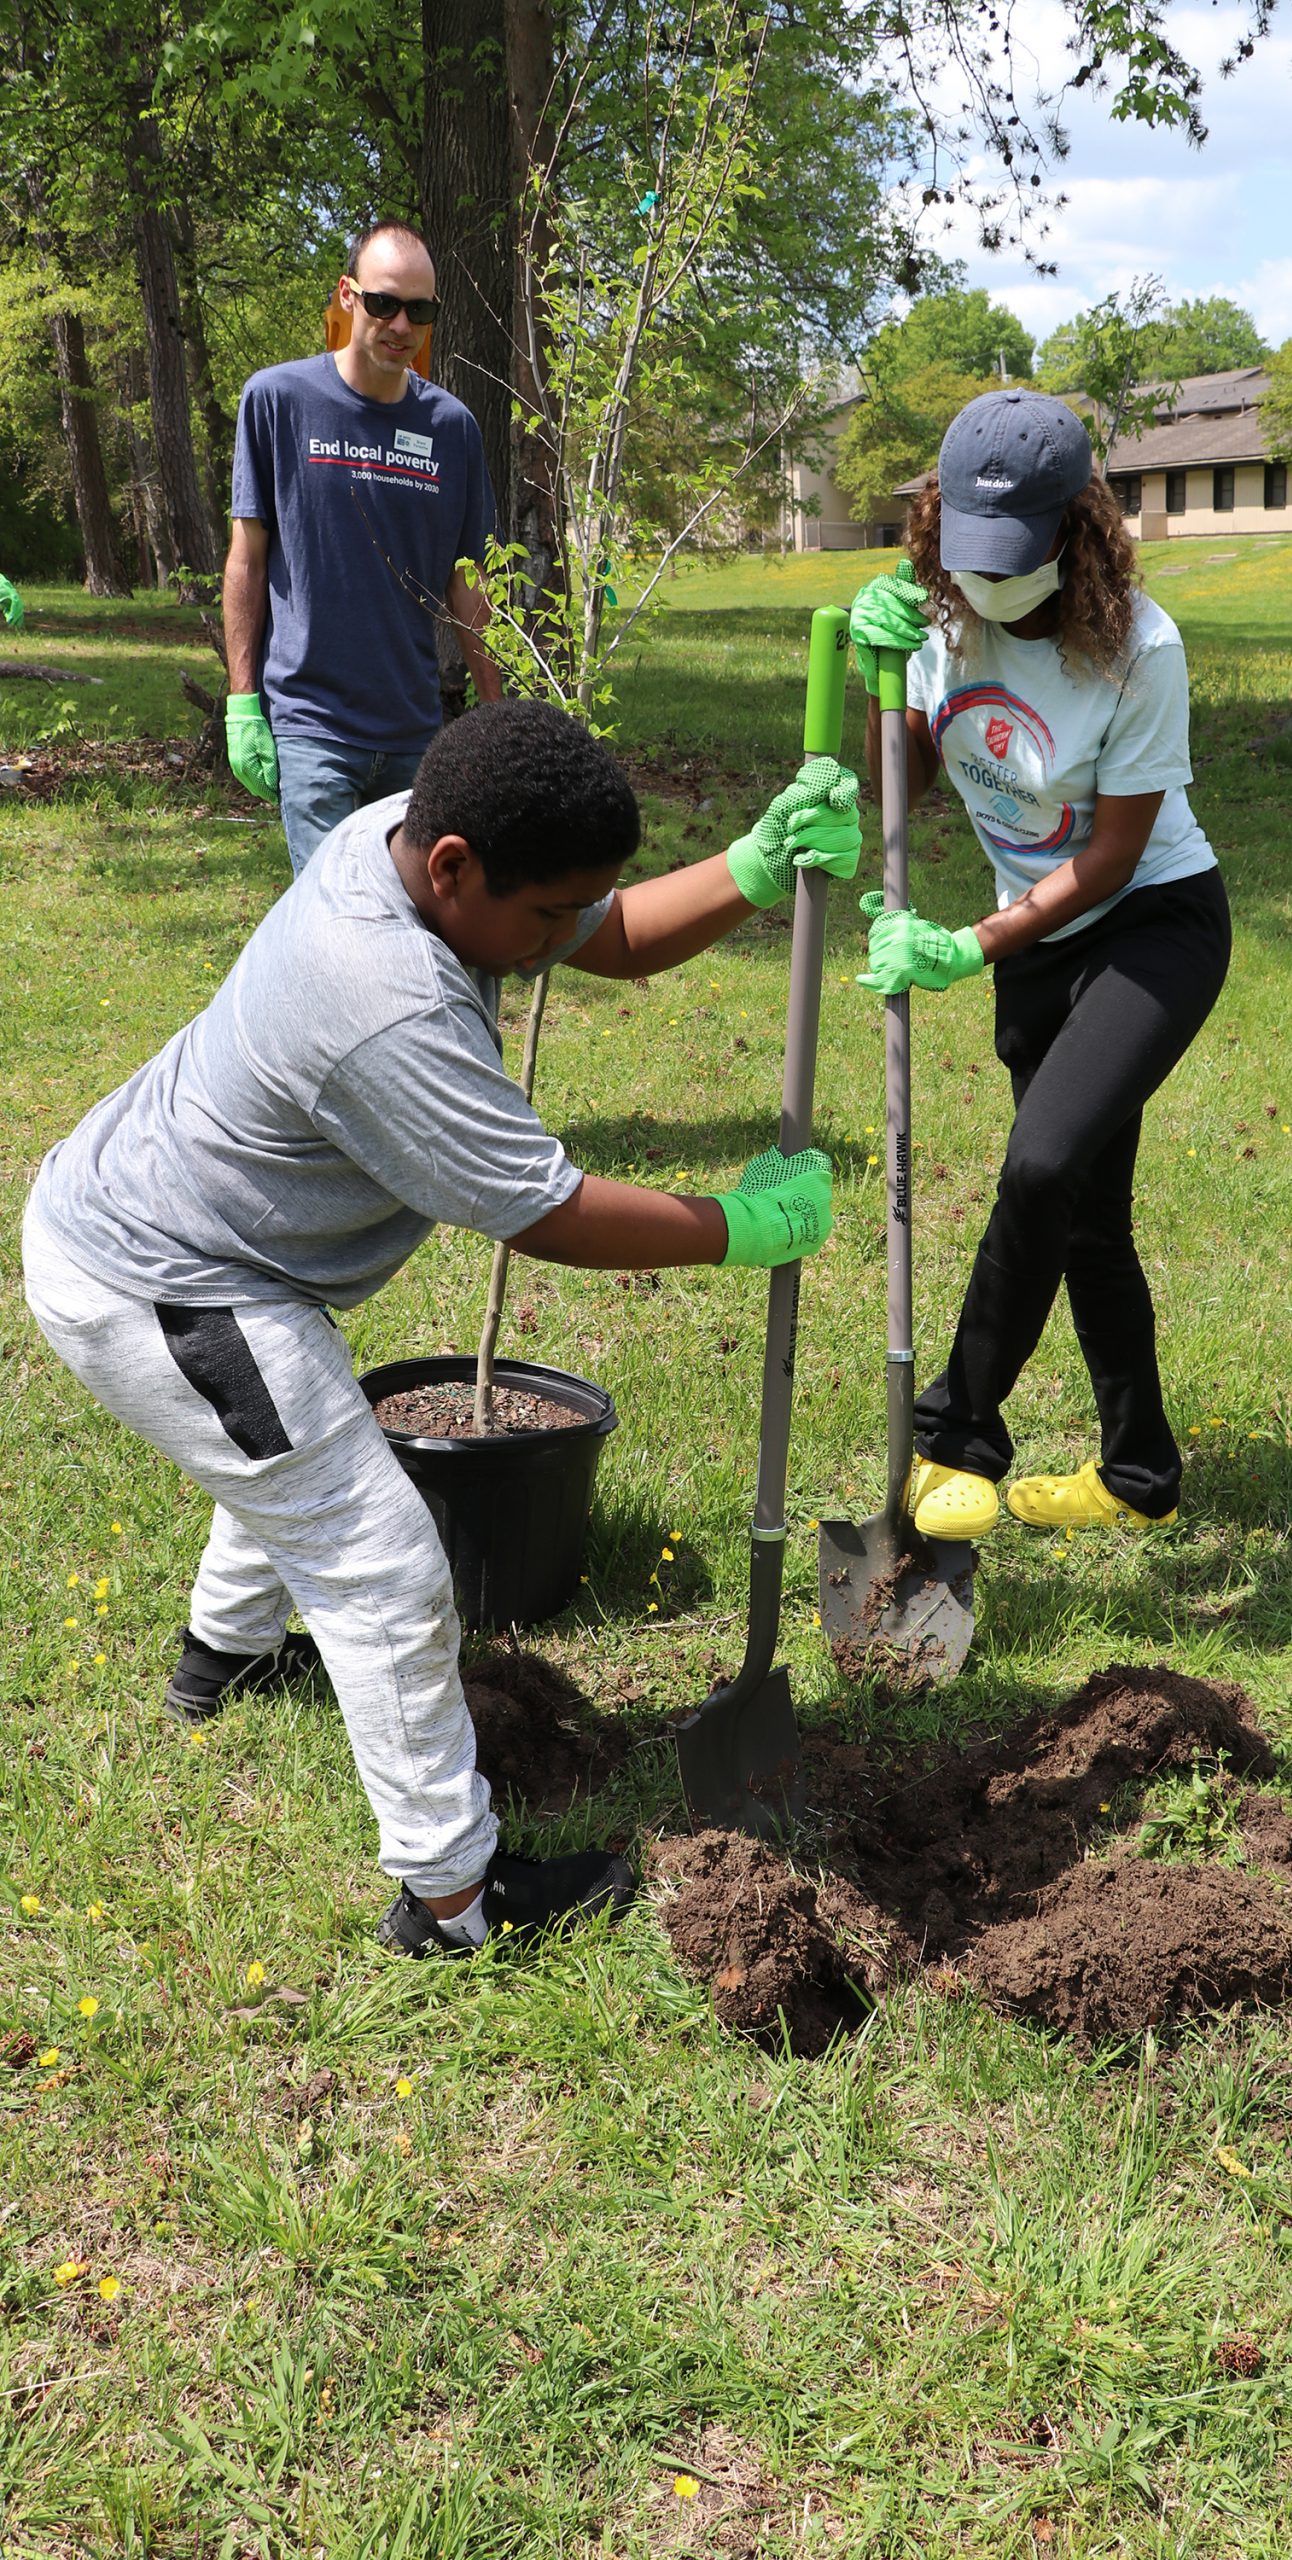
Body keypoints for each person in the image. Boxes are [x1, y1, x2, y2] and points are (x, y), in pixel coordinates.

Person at [22, 699, 860, 1957]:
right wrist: (735, 1225)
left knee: (294, 1445)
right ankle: (456, 1901)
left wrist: (748, 868)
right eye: (539, 917)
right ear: (458, 865)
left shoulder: (405, 837)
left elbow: (603, 931)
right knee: (378, 1561)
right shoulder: (381, 998)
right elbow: (548, 1212)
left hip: (196, 1234)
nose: (554, 938)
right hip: (161, 1279)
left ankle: (227, 1659)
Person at [848, 387, 1231, 1541]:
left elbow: (1114, 856)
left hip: (1150, 925)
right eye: (971, 555)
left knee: (1040, 1163)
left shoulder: (1139, 649)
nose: (990, 582)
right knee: (1082, 1218)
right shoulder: (936, 618)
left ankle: (957, 1433)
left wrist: (966, 945)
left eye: (1017, 558)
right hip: (1034, 945)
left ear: (1078, 532)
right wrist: (881, 690)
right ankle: (1138, 1477)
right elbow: (900, 791)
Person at [223, 220, 502, 877]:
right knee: (332, 927)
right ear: (348, 297)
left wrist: (498, 719)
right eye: (383, 303)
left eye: (419, 310)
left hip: (411, 732)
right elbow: (247, 558)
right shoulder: (277, 401)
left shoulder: (451, 429)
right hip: (310, 725)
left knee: (408, 926)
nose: (400, 324)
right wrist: (241, 701)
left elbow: (468, 585)